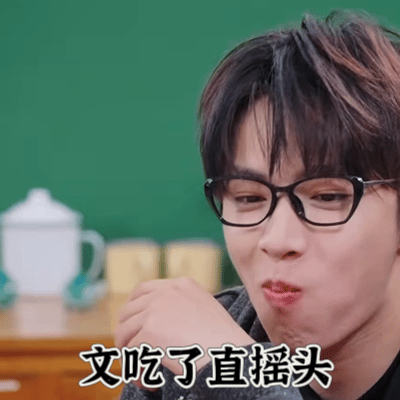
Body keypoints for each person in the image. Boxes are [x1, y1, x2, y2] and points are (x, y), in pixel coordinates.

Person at [115, 10, 400, 399]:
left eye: (327, 197)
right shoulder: (187, 355)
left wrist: (237, 371)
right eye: (248, 198)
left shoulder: (217, 359)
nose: (277, 240)